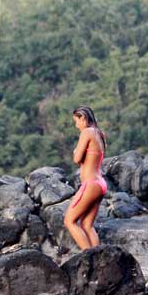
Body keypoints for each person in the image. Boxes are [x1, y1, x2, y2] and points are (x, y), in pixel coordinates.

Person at [64, 105, 108, 250]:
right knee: (87, 225)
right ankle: (99, 259)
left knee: (69, 221)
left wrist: (76, 151)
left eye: (76, 121)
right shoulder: (99, 133)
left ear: (83, 118)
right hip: (100, 183)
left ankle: (88, 257)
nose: (76, 126)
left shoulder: (87, 132)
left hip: (90, 184)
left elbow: (77, 159)